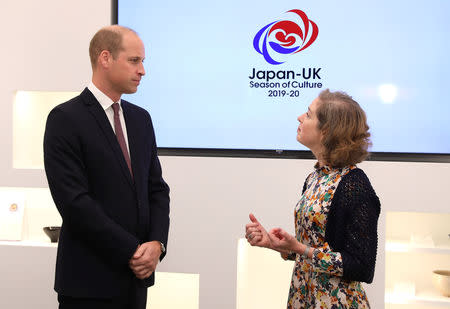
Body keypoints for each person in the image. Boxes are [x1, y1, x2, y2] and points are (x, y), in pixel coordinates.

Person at [43, 25, 170, 309]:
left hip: (135, 283)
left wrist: (157, 244)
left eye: (143, 62)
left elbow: (157, 189)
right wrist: (132, 251)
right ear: (105, 58)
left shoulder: (141, 119)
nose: (142, 71)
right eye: (134, 61)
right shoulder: (65, 118)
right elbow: (74, 202)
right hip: (88, 283)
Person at [245, 89, 380, 308]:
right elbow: (312, 252)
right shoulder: (315, 177)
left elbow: (362, 266)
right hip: (304, 297)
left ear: (327, 131)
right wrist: (275, 245)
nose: (299, 117)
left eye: (308, 115)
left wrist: (300, 249)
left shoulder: (356, 186)